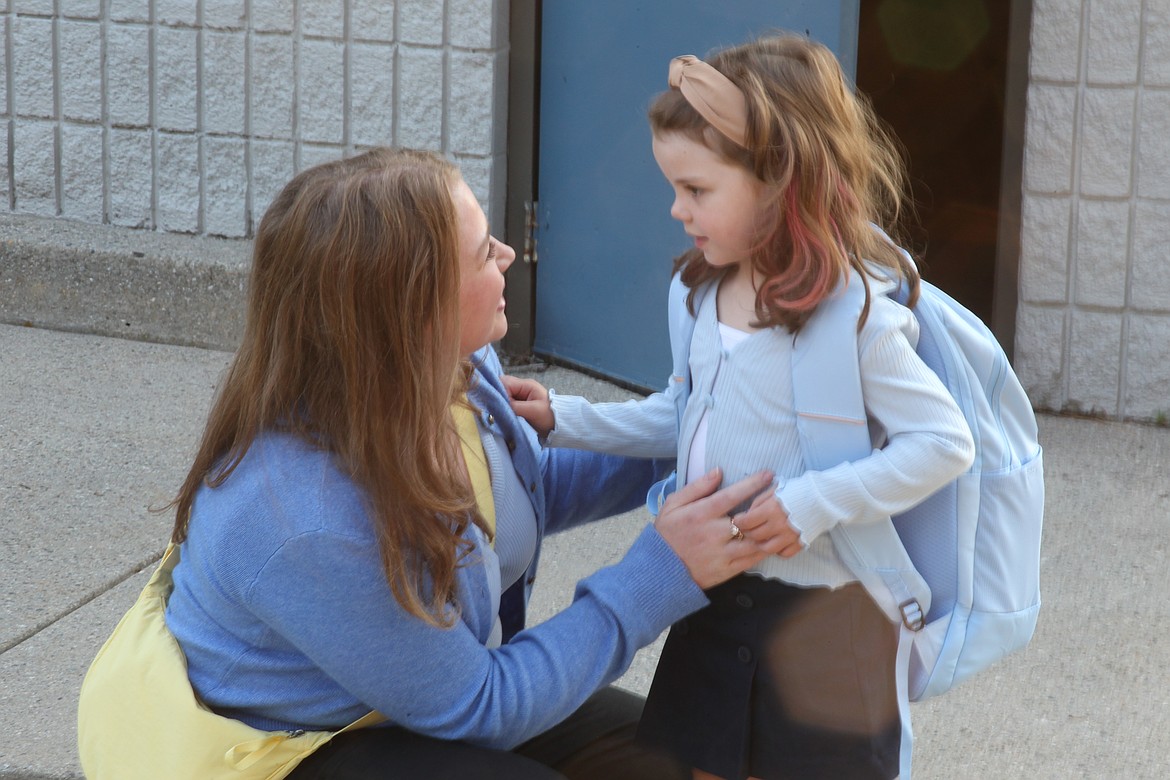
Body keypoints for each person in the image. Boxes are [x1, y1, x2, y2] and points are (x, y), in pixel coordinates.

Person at [135, 147, 794, 780]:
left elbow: (520, 492)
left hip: (417, 697)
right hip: (292, 747)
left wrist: (700, 440)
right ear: (415, 309)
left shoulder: (453, 369)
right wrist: (662, 570)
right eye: (483, 253)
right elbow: (481, 707)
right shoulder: (305, 518)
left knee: (684, 757)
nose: (507, 255)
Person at [504, 35, 976, 780]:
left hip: (830, 615)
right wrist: (566, 419)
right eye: (674, 187)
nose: (676, 208)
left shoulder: (854, 316)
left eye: (696, 189)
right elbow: (682, 417)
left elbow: (944, 443)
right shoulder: (696, 294)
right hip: (713, 597)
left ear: (780, 180)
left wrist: (809, 504)